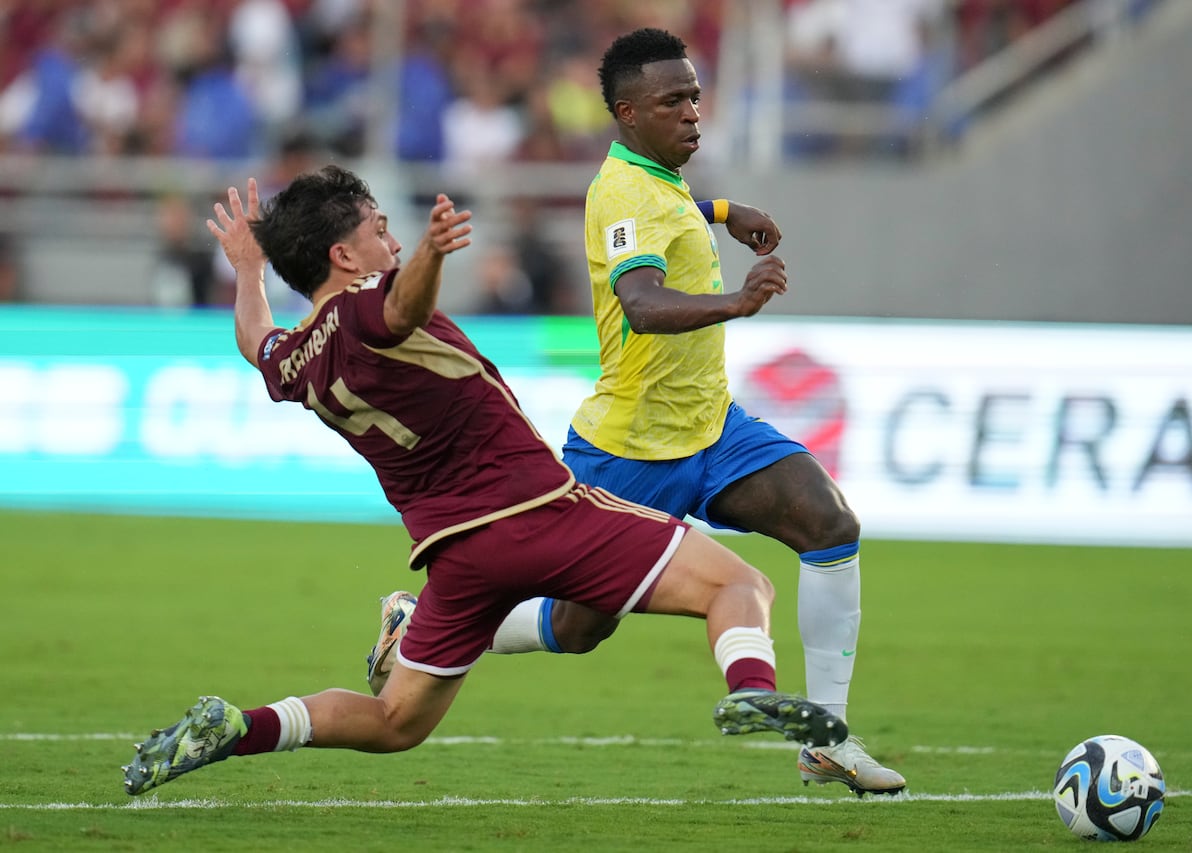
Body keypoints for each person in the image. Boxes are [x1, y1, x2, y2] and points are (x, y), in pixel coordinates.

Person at [120, 165, 846, 796]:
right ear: (345, 254)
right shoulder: (371, 305)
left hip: (455, 555)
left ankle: (242, 725)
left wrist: (247, 267)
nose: (393, 240)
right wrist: (430, 256)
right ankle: (752, 693)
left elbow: (255, 341)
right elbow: (400, 308)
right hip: (542, 511)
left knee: (396, 721)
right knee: (739, 586)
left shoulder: (297, 359)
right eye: (379, 229)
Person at [440, 27, 907, 797]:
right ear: (628, 113)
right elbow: (642, 302)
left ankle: (828, 737)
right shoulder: (620, 192)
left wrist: (724, 208)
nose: (693, 112)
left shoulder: (651, 179)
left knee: (830, 525)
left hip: (713, 429)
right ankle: (426, 621)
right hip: (628, 451)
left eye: (694, 95)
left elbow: (670, 207)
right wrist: (738, 299)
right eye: (673, 101)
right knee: (579, 628)